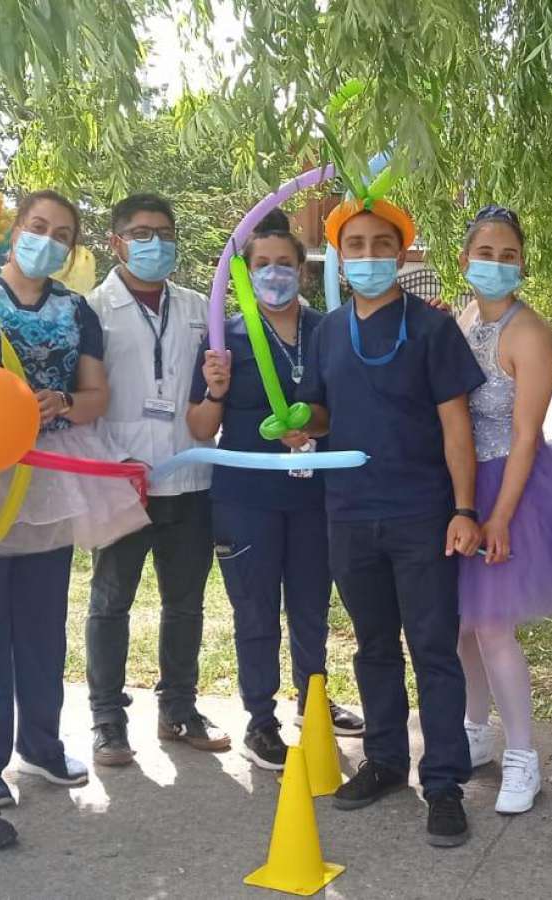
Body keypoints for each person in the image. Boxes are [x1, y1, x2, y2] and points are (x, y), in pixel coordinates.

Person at [0, 190, 149, 807]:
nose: (48, 240)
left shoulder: (76, 309)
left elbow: (96, 395)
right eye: (38, 226)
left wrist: (62, 402)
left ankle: (39, 744)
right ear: (13, 231)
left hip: (55, 478)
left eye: (62, 234)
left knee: (42, 622)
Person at [295, 197, 485, 847]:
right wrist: (302, 427)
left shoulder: (432, 329)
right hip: (348, 513)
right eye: (357, 245)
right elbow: (321, 415)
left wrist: (464, 509)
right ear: (338, 256)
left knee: (434, 650)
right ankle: (383, 760)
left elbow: (456, 424)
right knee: (373, 646)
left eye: (383, 244)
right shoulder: (326, 330)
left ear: (402, 254)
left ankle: (444, 785)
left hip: (421, 514)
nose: (370, 256)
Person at [185, 210, 364, 770]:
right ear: (245, 272)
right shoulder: (226, 338)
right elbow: (198, 428)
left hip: (314, 498)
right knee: (256, 613)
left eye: (285, 264)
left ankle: (313, 702)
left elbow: (347, 410)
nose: (274, 274)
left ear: (304, 271)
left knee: (311, 607)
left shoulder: (328, 330)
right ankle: (260, 722)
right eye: (262, 265)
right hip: (246, 502)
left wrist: (315, 420)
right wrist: (215, 391)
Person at [85, 193, 232, 767]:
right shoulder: (91, 310)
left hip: (189, 475)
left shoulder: (200, 307)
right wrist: (106, 465)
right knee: (110, 601)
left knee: (186, 602)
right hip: (122, 480)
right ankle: (107, 720)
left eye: (165, 233)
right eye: (142, 233)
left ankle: (179, 708)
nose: (156, 244)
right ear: (116, 242)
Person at [452, 206, 552, 814]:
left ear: (522, 263)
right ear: (464, 259)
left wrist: (499, 515)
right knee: (461, 624)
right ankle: (476, 730)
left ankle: (524, 756)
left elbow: (527, 434)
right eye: (486, 253)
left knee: (494, 624)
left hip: (513, 488)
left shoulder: (532, 333)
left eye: (508, 255)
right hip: (463, 486)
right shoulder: (464, 313)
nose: (496, 264)